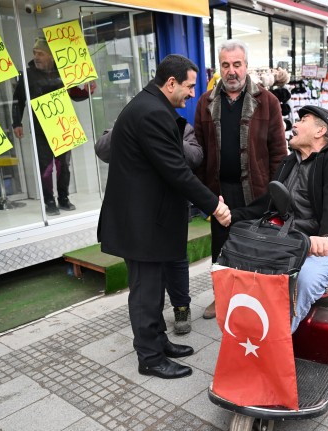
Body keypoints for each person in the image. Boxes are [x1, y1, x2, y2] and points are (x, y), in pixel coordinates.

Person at [98, 54, 231, 379]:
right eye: (188, 86)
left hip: (147, 221)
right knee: (146, 292)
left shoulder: (152, 106)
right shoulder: (152, 113)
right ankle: (150, 357)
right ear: (170, 83)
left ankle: (158, 341)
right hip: (139, 224)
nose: (191, 93)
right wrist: (214, 205)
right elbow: (175, 170)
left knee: (154, 289)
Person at [231, 105, 328, 332]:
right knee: (243, 264)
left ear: (320, 132)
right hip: (285, 241)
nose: (296, 124)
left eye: (304, 120)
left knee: (303, 280)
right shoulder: (289, 162)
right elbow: (267, 202)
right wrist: (231, 215)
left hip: (318, 248)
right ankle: (249, 330)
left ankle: (275, 342)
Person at [194, 39, 287, 319]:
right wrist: (204, 193)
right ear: (219, 68)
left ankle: (253, 299)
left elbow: (279, 153)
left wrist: (273, 192)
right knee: (220, 246)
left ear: (246, 66)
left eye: (237, 64)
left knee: (254, 245)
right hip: (220, 191)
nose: (231, 71)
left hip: (256, 191)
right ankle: (221, 298)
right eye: (226, 65)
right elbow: (198, 149)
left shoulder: (267, 101)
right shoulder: (206, 102)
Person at [94, 123, 201, 334]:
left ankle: (181, 307)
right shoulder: (124, 123)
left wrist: (163, 134)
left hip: (171, 208)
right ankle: (152, 318)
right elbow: (103, 150)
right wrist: (128, 126)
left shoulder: (178, 125)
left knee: (176, 260)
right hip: (136, 211)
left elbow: (195, 157)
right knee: (143, 267)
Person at [12, 37, 93, 216]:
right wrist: (16, 122)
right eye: (35, 53)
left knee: (64, 165)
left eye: (40, 53)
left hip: (63, 126)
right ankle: (49, 200)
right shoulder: (28, 75)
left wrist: (87, 91)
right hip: (41, 128)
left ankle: (63, 198)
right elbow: (18, 100)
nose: (37, 57)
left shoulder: (63, 71)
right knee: (46, 166)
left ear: (50, 56)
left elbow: (75, 95)